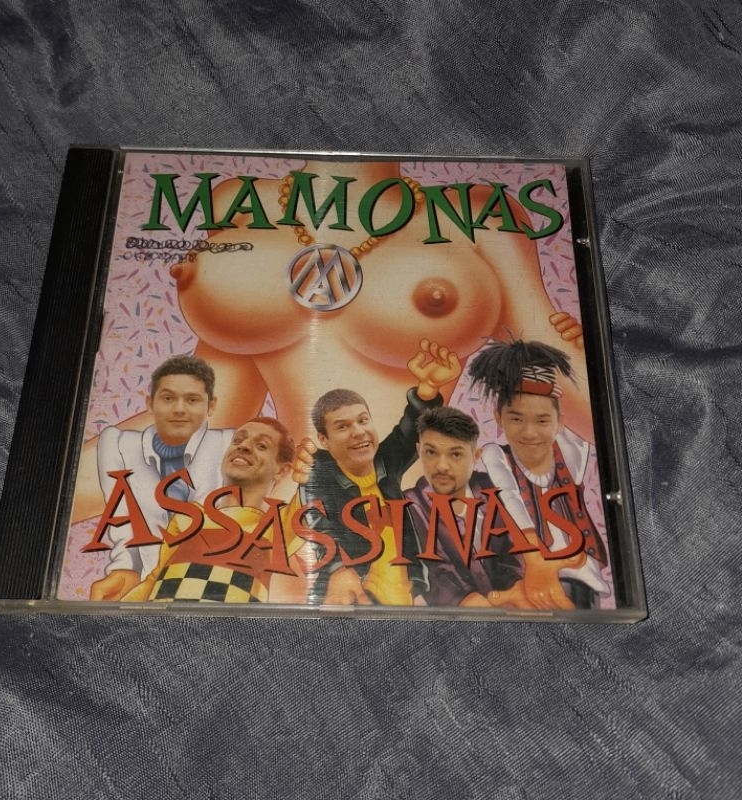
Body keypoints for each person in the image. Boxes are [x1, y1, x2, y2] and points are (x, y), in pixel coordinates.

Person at [163, 158, 592, 444]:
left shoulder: (478, 215)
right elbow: (218, 400)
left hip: (412, 511)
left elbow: (556, 365)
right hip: (290, 509)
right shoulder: (237, 201)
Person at [293, 339, 462, 606]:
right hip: (359, 600)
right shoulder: (320, 473)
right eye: (342, 426)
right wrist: (338, 570)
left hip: (410, 599)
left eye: (363, 420)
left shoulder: (385, 463)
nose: (359, 432)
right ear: (324, 440)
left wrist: (428, 389)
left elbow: (409, 430)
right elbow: (319, 524)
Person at [467, 339, 610, 609]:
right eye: (516, 419)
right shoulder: (496, 456)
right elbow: (511, 498)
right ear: (499, 417)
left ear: (560, 422)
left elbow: (590, 411)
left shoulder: (571, 451)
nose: (529, 432)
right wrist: (535, 561)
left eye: (542, 420)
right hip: (528, 579)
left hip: (582, 579)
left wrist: (580, 350)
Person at [83, 355, 235, 601]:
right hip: (146, 591)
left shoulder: (233, 444)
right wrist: (125, 569)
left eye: (192, 399)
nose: (179, 409)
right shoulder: (118, 445)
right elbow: (121, 515)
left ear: (211, 405)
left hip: (215, 588)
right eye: (168, 398)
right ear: (150, 403)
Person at [123, 417, 297, 603]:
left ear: (282, 471)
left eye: (261, 445)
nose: (244, 446)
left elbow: (310, 500)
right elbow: (152, 581)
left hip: (227, 622)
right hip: (161, 619)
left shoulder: (277, 526)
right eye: (237, 440)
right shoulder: (187, 519)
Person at [403, 406, 523, 607]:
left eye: (456, 454)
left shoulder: (492, 488)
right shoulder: (410, 504)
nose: (441, 466)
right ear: (419, 451)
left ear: (476, 456)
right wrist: (467, 600)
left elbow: (515, 551)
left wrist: (514, 590)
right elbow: (436, 571)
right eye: (431, 452)